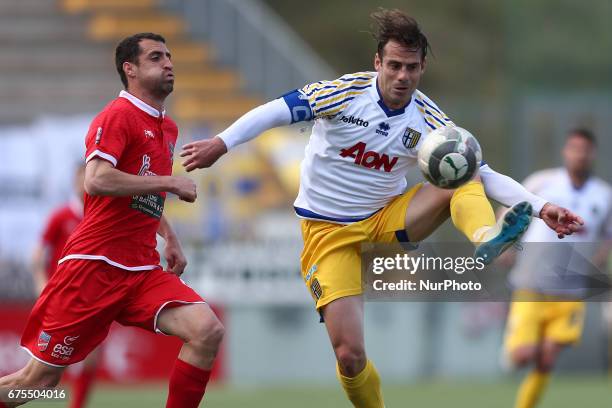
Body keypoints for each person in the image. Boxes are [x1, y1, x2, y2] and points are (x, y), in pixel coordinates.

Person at [180, 9, 582, 408]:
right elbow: (275, 110)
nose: (402, 76)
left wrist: (543, 206)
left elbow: (487, 173)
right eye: (394, 66)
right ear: (378, 63)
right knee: (349, 355)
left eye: (411, 67)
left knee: (465, 166)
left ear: (422, 67)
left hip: (386, 221)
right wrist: (223, 142)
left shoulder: (429, 119)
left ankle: (486, 237)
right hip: (327, 233)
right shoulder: (343, 94)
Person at [0, 33, 224, 408]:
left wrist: (169, 236)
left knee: (207, 331)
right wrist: (170, 181)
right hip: (94, 268)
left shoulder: (167, 128)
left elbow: (141, 193)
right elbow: (98, 179)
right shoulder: (118, 115)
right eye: (156, 57)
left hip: (139, 270)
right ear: (130, 69)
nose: (168, 63)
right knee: (39, 383)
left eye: (169, 56)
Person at [502, 129, 612, 408]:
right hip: (532, 284)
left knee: (547, 359)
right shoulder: (543, 182)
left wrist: (599, 256)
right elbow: (511, 209)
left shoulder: (604, 195)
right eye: (574, 148)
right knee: (523, 357)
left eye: (585, 149)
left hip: (570, 292)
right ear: (565, 152)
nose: (579, 154)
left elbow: (607, 235)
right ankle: (514, 348)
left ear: (592, 154)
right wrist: (503, 239)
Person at [31, 165, 100, 408]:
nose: (85, 184)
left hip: (93, 300)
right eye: (82, 178)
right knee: (42, 375)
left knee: (91, 356)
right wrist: (42, 286)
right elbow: (38, 256)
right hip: (61, 300)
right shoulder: (61, 217)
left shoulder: (100, 216)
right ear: (74, 181)